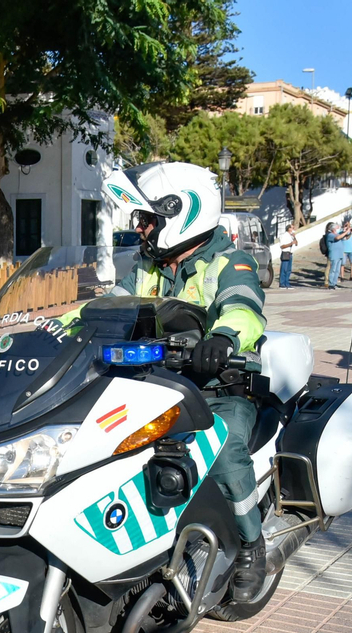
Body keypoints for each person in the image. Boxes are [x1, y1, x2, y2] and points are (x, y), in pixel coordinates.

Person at [104, 161, 270, 601]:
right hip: (159, 386)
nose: (140, 229)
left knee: (224, 447)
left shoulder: (230, 262)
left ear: (181, 215)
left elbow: (244, 308)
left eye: (148, 220)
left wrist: (224, 336)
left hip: (222, 389)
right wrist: (59, 327)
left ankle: (253, 545)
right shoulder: (149, 267)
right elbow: (112, 305)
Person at [326, 222, 346, 289]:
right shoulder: (330, 235)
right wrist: (345, 232)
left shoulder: (338, 234)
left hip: (339, 254)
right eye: (337, 228)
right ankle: (331, 284)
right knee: (333, 270)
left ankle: (334, 283)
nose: (338, 229)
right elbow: (337, 238)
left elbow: (345, 237)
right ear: (333, 229)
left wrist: (347, 231)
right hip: (334, 255)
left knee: (337, 270)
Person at [278, 223, 298, 289]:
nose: (293, 229)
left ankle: (287, 283)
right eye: (292, 228)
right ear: (289, 229)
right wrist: (290, 244)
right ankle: (282, 283)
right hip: (285, 253)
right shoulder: (284, 236)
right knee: (284, 269)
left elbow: (296, 244)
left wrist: (294, 237)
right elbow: (282, 246)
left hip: (290, 253)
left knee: (289, 269)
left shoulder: (291, 236)